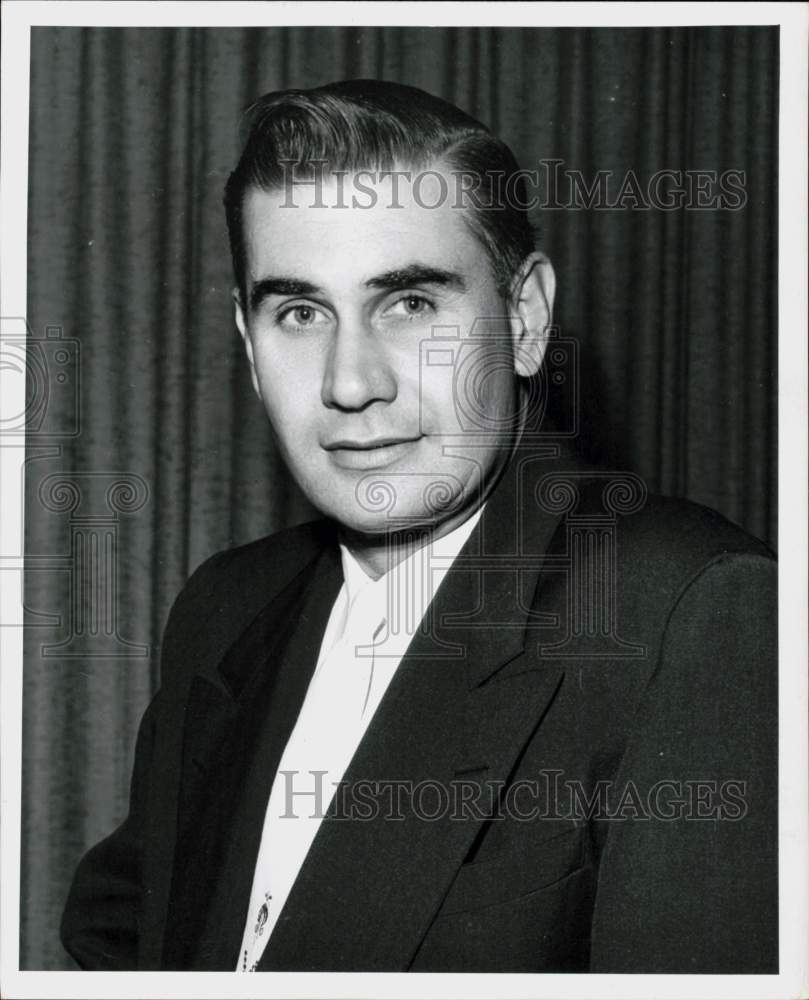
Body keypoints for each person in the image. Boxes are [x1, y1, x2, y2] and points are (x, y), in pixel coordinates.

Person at [60, 79, 777, 974]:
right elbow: (124, 935)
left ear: (524, 318)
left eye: (409, 304)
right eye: (299, 313)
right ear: (247, 346)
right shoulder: (227, 603)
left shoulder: (692, 609)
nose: (351, 383)